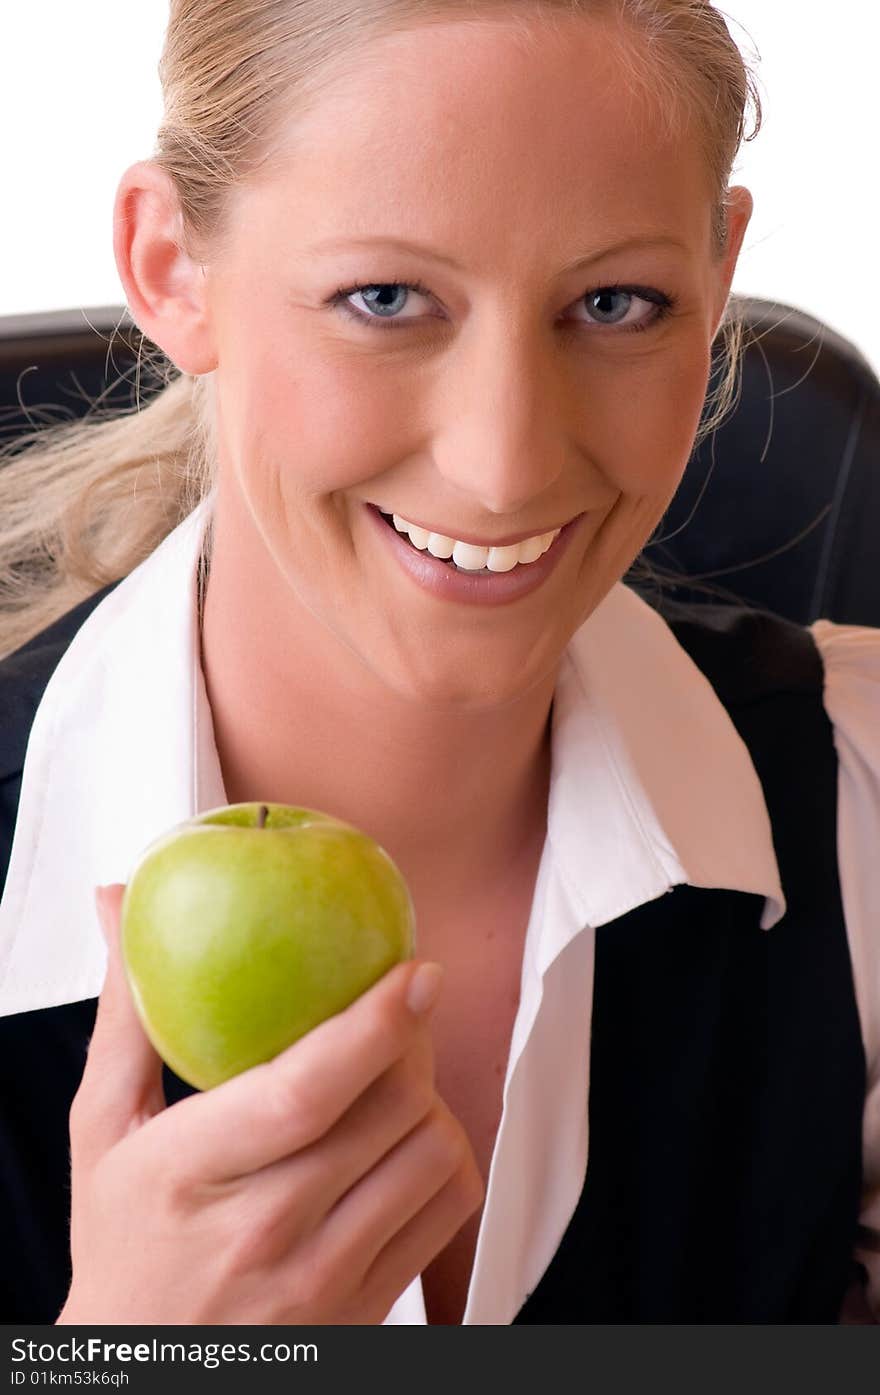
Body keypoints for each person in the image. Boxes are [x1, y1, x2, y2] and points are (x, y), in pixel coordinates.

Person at [0, 0, 877, 1326]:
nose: (506, 460)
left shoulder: (857, 805)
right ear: (173, 264)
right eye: (386, 297)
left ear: (719, 273)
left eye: (616, 301)